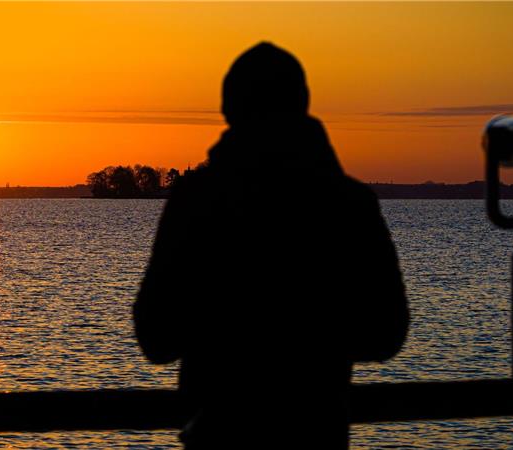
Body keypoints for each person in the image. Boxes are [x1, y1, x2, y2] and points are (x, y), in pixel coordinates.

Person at [134, 42, 409, 449]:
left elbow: (156, 338)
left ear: (230, 111)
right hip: (316, 436)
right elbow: (386, 333)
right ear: (302, 107)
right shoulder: (350, 203)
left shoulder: (198, 200)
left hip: (219, 437)